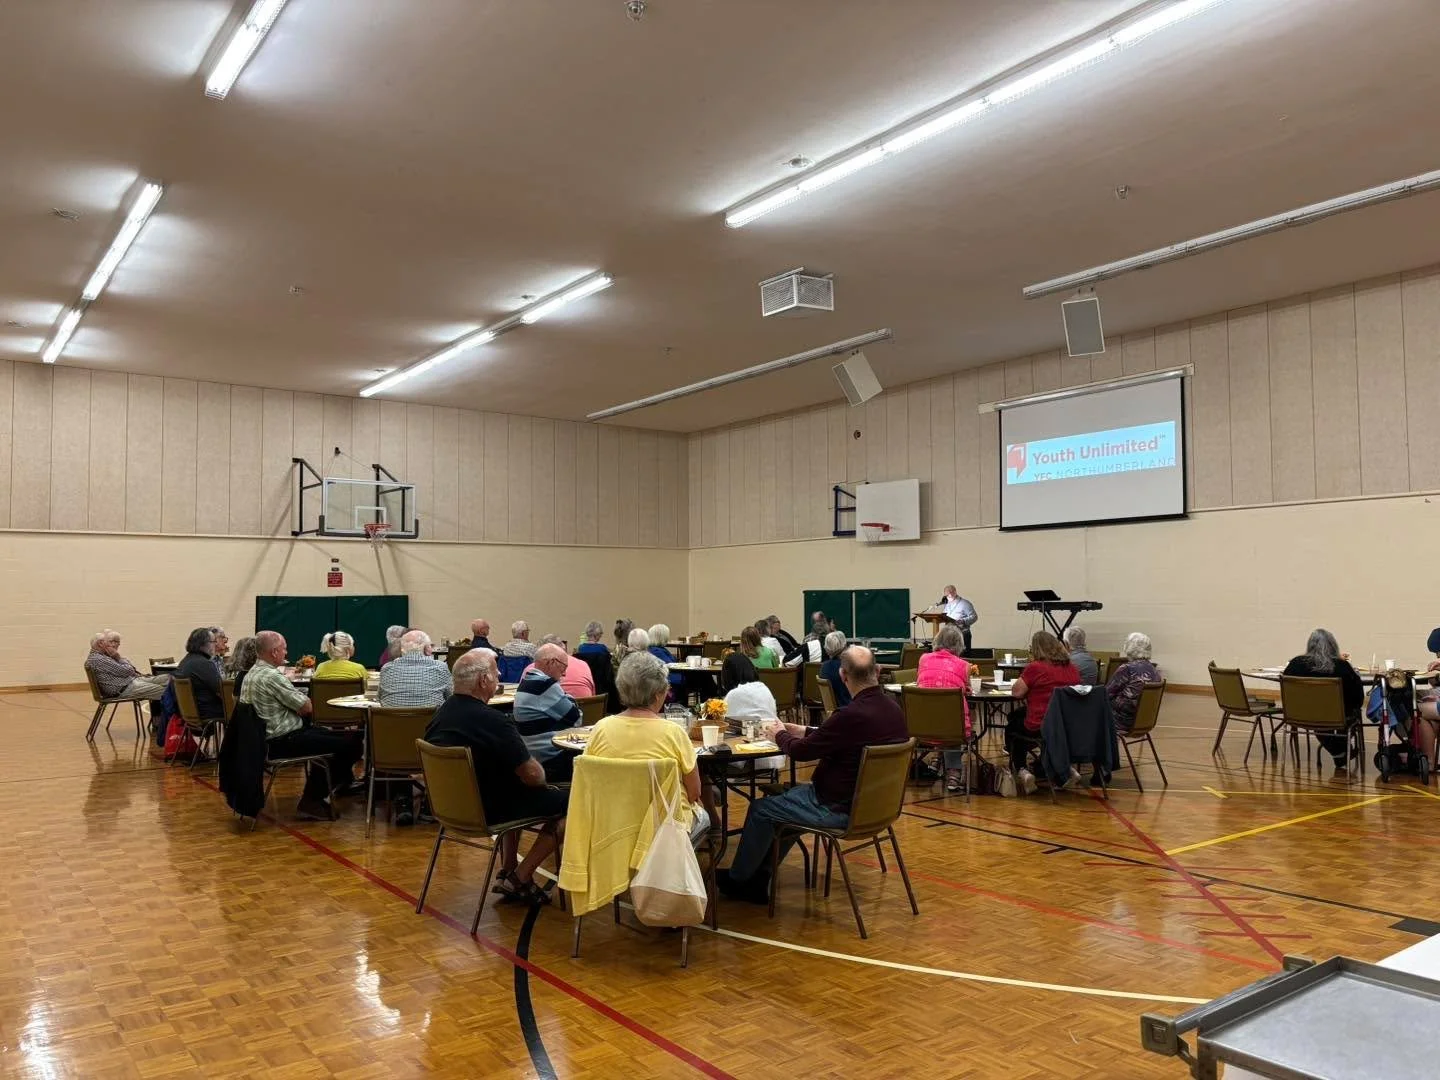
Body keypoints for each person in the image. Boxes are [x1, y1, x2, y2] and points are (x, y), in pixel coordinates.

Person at [718, 646, 908, 903]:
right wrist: (805, 729)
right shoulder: (893, 710)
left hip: (833, 807)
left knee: (762, 809)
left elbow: (801, 753)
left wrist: (780, 735)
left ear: (842, 675)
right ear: (878, 670)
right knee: (783, 803)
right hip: (876, 808)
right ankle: (760, 876)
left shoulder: (849, 715)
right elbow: (843, 737)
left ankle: (738, 880)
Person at [424, 649, 566, 905]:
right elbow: (533, 776)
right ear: (483, 681)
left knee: (513, 786)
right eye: (494, 671)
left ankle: (508, 868)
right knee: (572, 802)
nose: (499, 674)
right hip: (488, 810)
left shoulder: (440, 715)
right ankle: (521, 877)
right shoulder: (494, 721)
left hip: (452, 809)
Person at [585, 652, 711, 842]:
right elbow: (694, 793)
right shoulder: (674, 733)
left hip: (613, 825)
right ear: (658, 693)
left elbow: (590, 784)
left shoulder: (600, 729)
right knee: (704, 817)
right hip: (665, 829)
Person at [241, 631, 362, 820]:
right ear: (274, 652)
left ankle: (329, 787)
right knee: (351, 744)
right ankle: (313, 798)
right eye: (284, 649)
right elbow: (306, 707)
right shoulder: (271, 676)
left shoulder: (252, 673)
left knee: (338, 739)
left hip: (264, 738)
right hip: (282, 739)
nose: (286, 652)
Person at [1008, 631, 1081, 794]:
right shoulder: (1072, 668)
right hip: (1066, 725)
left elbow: (1016, 693)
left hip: (1041, 724)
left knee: (1013, 727)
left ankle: (1022, 770)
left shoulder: (1035, 667)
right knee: (1018, 716)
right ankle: (1064, 768)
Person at [1282, 628, 1364, 769]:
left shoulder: (1295, 664)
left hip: (1300, 715)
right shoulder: (1342, 667)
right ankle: (1340, 750)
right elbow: (1358, 698)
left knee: (1318, 715)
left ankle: (1339, 752)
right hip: (1335, 716)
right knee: (1345, 713)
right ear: (1333, 646)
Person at [514, 643, 583, 781]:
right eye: (564, 667)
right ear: (552, 662)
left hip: (532, 756)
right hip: (550, 758)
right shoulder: (544, 684)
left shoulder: (527, 680)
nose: (564, 673)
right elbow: (576, 719)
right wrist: (568, 698)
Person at [917, 623, 972, 793]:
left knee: (940, 714)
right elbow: (967, 690)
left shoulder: (923, 659)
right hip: (952, 728)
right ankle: (954, 773)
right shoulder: (963, 665)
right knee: (952, 717)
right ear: (959, 644)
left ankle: (936, 758)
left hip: (923, 725)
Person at [85, 630, 169, 712]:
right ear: (100, 643)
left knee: (167, 678)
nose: (111, 645)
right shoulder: (99, 659)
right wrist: (117, 656)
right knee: (167, 691)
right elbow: (128, 670)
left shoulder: (99, 657)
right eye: (108, 642)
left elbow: (128, 670)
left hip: (130, 683)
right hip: (125, 689)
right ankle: (170, 723)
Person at [378, 630, 453, 708]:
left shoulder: (387, 669)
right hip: (430, 719)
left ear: (402, 649)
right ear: (426, 648)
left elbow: (380, 697)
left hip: (391, 719)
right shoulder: (441, 667)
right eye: (431, 646)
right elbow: (450, 698)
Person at [1105, 632, 1160, 733]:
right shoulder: (1154, 670)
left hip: (1123, 721)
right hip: (1144, 720)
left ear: (1129, 647)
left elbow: (1106, 694)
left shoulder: (1127, 668)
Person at [522, 634, 595, 698]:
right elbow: (592, 693)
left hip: (553, 711)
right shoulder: (583, 664)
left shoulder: (531, 669)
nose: (564, 674)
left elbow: (523, 696)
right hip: (588, 709)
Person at [175, 627, 225, 721]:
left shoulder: (185, 661)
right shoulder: (204, 663)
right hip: (207, 713)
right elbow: (222, 690)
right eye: (213, 642)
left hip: (188, 714)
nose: (215, 645)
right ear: (203, 644)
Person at [932, 585, 978, 652]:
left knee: (963, 657)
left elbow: (974, 617)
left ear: (955, 592)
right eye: (947, 594)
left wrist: (963, 621)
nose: (949, 595)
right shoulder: (947, 605)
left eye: (951, 592)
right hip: (949, 635)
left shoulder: (965, 603)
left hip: (963, 634)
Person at [819, 630, 851, 707]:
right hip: (850, 708)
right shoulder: (848, 667)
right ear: (845, 645)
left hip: (835, 711)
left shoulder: (824, 667)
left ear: (826, 648)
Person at [647, 623, 684, 691]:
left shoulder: (653, 649)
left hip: (670, 677)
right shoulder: (657, 652)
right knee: (703, 677)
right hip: (672, 679)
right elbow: (670, 665)